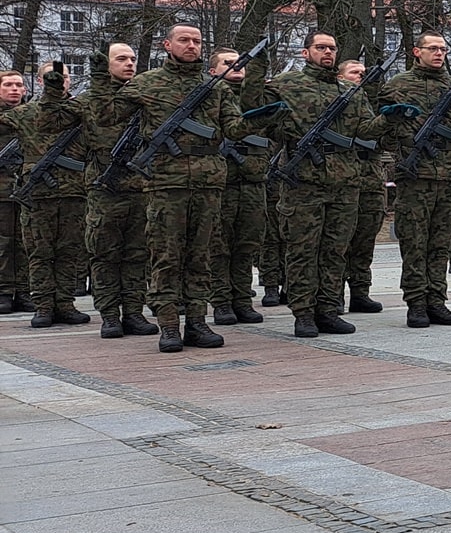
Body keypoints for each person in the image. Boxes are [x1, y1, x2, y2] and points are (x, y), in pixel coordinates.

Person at [124, 23, 260, 352]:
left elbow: (234, 128)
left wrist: (260, 117)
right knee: (166, 255)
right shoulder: (147, 83)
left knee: (201, 255)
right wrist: (102, 77)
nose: (191, 46)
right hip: (165, 182)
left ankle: (197, 322)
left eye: (197, 41)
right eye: (184, 40)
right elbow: (106, 117)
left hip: (208, 182)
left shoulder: (216, 87)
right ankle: (169, 325)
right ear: (167, 44)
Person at [265, 32, 378, 339]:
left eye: (332, 48)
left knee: (334, 250)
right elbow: (260, 115)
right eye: (321, 47)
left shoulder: (350, 91)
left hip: (344, 182)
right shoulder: (286, 84)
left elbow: (366, 129)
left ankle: (328, 310)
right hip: (303, 182)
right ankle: (303, 313)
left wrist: (390, 119)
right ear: (306, 52)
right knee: (303, 250)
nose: (328, 52)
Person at [377, 32, 451, 327]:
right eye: (433, 48)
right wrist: (404, 136)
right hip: (415, 176)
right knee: (415, 242)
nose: (439, 53)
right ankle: (416, 302)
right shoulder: (397, 86)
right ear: (417, 52)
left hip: (449, 175)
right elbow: (381, 131)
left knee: (441, 242)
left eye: (443, 49)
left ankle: (436, 300)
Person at [80, 43, 158, 339]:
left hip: (140, 188)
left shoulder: (143, 98)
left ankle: (134, 312)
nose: (129, 64)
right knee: (104, 253)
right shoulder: (90, 101)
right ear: (106, 64)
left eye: (133, 59)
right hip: (105, 190)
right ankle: (110, 315)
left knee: (138, 254)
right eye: (121, 58)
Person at [2, 62, 89, 329]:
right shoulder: (25, 113)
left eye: (64, 77)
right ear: (40, 81)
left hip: (74, 191)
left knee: (69, 251)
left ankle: (65, 303)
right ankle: (42, 305)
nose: (59, 81)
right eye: (53, 77)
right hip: (38, 194)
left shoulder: (80, 111)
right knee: (39, 252)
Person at [207, 47, 270, 326]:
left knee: (247, 245)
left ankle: (242, 300)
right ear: (213, 71)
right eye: (228, 63)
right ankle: (221, 301)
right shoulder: (209, 96)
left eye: (240, 63)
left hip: (252, 182)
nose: (236, 67)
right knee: (219, 246)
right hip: (222, 182)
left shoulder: (255, 96)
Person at [337, 58, 388, 316]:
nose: (360, 76)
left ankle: (360, 292)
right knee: (338, 242)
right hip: (343, 179)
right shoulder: (335, 101)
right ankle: (333, 294)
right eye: (354, 72)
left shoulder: (369, 102)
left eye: (363, 73)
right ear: (340, 76)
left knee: (365, 242)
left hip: (370, 181)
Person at [0, 70, 28, 314]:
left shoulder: (31, 116)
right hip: (2, 191)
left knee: (26, 242)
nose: (14, 89)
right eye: (8, 85)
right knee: (4, 243)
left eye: (18, 85)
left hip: (27, 189)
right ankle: (4, 291)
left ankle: (25, 290)